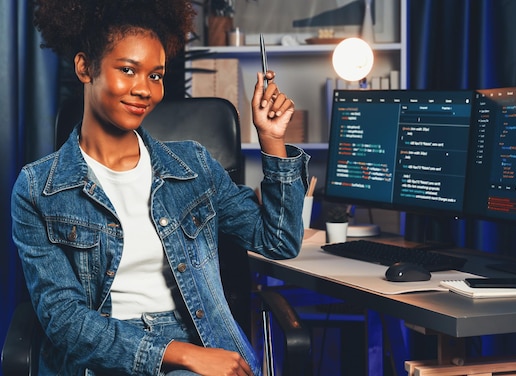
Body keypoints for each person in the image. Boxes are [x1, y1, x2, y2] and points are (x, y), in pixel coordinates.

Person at [11, 0, 309, 375]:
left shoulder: (192, 166)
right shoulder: (38, 188)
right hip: (104, 354)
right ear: (85, 67)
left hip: (198, 339)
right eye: (127, 70)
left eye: (155, 75)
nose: (144, 90)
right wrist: (180, 354)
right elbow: (65, 320)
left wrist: (271, 139)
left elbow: (278, 241)